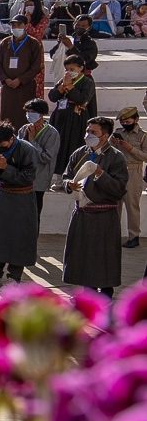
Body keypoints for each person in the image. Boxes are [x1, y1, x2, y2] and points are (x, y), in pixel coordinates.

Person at [62, 117, 129, 296]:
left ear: (105, 136)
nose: (88, 135)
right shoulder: (79, 153)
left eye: (94, 132)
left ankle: (106, 292)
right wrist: (69, 184)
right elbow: (66, 176)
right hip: (82, 213)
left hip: (104, 215)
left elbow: (119, 189)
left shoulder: (116, 157)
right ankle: (87, 294)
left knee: (104, 256)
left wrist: (100, 173)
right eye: (87, 131)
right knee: (82, 255)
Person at [0, 122, 40, 289]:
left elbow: (28, 177)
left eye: (3, 143)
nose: (0, 147)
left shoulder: (27, 149)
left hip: (22, 198)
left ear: (12, 138)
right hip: (3, 196)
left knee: (18, 237)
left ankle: (14, 277)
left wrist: (7, 168)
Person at [49, 55, 97, 176]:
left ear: (80, 68)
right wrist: (61, 88)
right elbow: (52, 97)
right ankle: (59, 175)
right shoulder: (63, 80)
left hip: (77, 119)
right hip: (61, 118)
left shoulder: (88, 82)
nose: (69, 72)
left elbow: (81, 100)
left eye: (72, 69)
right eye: (67, 69)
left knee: (73, 146)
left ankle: (73, 176)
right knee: (60, 147)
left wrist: (70, 87)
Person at [18, 99, 61, 226]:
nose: (29, 115)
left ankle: (31, 242)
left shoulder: (52, 133)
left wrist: (32, 141)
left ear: (41, 114)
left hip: (39, 180)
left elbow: (46, 157)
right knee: (21, 214)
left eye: (32, 112)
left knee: (34, 214)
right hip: (23, 178)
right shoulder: (23, 129)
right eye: (28, 112)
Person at [0, 14, 43, 128]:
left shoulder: (33, 43)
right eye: (13, 25)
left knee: (23, 116)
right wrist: (5, 79)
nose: (16, 27)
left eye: (19, 25)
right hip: (8, 86)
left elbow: (36, 66)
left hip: (25, 86)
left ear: (26, 25)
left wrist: (20, 80)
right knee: (6, 116)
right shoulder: (5, 42)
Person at [111, 106, 147, 248]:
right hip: (117, 170)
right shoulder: (118, 133)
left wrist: (129, 148)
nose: (125, 124)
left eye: (128, 121)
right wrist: (113, 143)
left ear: (136, 119)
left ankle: (134, 236)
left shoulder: (143, 136)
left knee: (132, 205)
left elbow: (145, 156)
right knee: (115, 205)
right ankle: (113, 234)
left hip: (134, 170)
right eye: (123, 122)